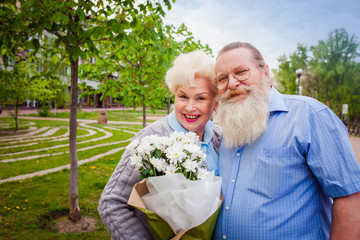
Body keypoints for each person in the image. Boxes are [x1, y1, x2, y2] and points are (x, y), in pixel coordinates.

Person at [213, 42, 360, 240]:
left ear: (265, 72)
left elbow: (350, 197)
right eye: (222, 78)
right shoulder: (224, 128)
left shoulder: (309, 115)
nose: (232, 83)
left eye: (241, 72)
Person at [98, 50, 220, 240]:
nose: (189, 107)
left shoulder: (219, 138)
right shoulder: (151, 139)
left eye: (201, 98)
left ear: (215, 103)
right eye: (183, 96)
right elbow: (111, 203)